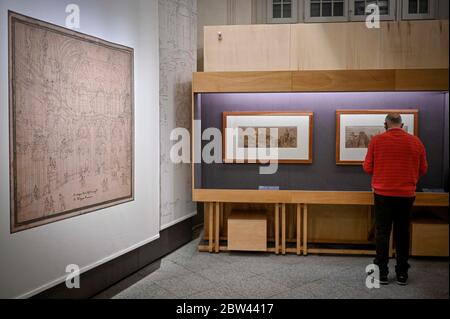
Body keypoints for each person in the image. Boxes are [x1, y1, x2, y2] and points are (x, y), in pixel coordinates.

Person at [363, 113, 428, 285]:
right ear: (402, 124)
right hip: (406, 194)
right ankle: (402, 273)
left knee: (382, 232)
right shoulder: (416, 142)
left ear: (385, 124)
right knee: (402, 232)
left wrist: (382, 173)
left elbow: (367, 167)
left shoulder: (377, 141)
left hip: (382, 193)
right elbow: (423, 168)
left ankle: (382, 273)